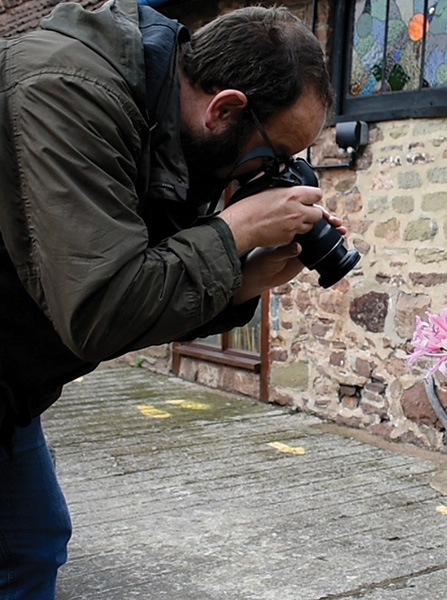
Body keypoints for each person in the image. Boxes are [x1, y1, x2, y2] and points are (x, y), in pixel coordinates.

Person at [0, 1, 338, 597]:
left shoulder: (168, 129)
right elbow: (103, 310)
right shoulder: (68, 94)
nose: (274, 177)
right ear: (225, 108)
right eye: (274, 157)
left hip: (13, 382)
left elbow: (142, 280)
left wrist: (246, 278)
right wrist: (236, 230)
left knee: (32, 543)